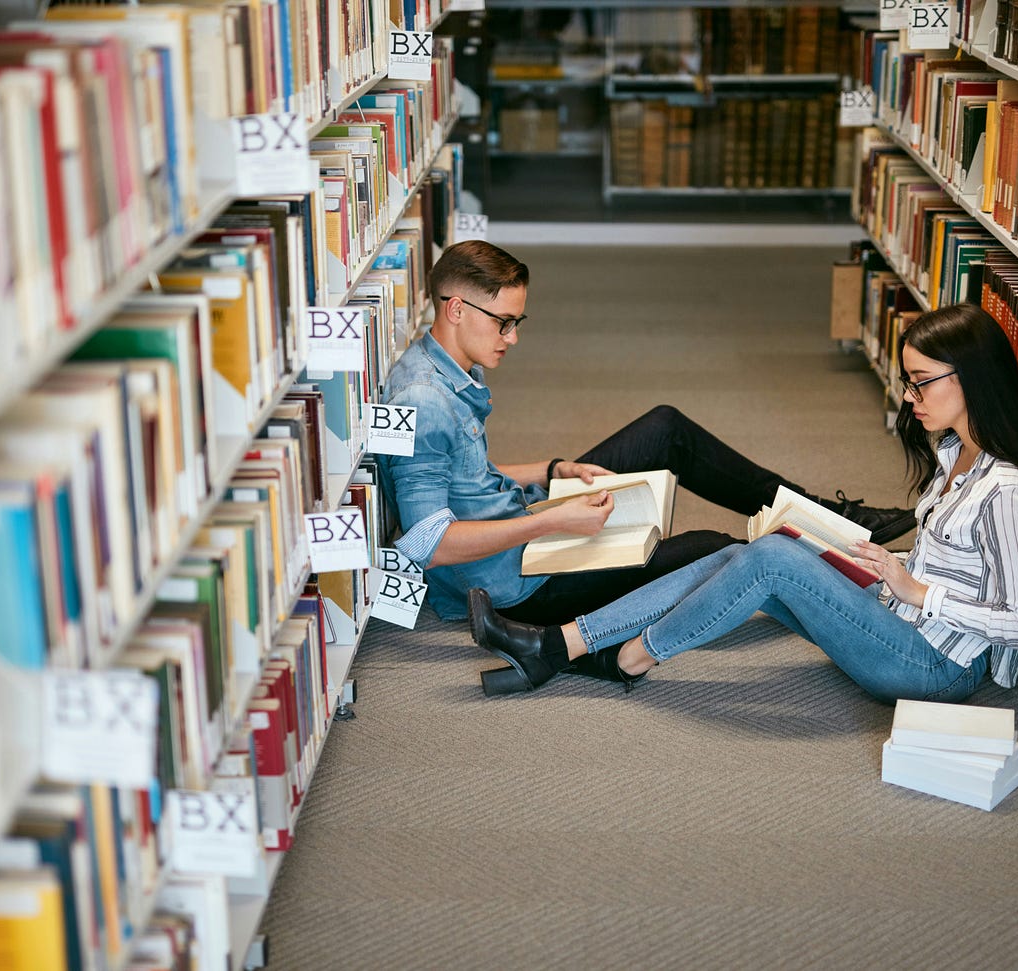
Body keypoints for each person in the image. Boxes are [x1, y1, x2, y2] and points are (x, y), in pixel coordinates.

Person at [379, 240, 915, 691]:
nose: (513, 338)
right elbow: (428, 544)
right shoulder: (426, 399)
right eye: (504, 323)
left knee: (665, 429)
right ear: (455, 309)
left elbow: (466, 477)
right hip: (516, 582)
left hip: (526, 525)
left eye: (518, 321)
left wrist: (552, 468)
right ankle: (839, 562)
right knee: (718, 551)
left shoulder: (441, 365)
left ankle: (822, 516)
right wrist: (553, 520)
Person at [468, 302, 1018, 701]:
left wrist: (920, 591)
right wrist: (893, 570)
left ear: (972, 379)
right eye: (908, 380)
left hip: (935, 666)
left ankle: (627, 659)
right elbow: (955, 569)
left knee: (770, 561)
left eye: (922, 381)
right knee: (752, 551)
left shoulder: (1007, 491)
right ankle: (561, 645)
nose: (910, 395)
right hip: (896, 615)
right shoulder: (953, 458)